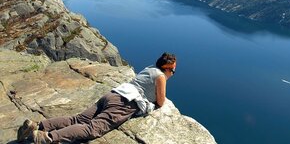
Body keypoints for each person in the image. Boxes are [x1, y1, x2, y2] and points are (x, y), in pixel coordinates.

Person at [17, 52, 177, 144]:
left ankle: (37, 125)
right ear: (167, 68)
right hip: (125, 104)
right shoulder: (161, 76)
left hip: (113, 94)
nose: (173, 74)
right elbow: (161, 102)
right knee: (92, 129)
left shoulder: (150, 68)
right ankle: (46, 138)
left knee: (77, 119)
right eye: (173, 71)